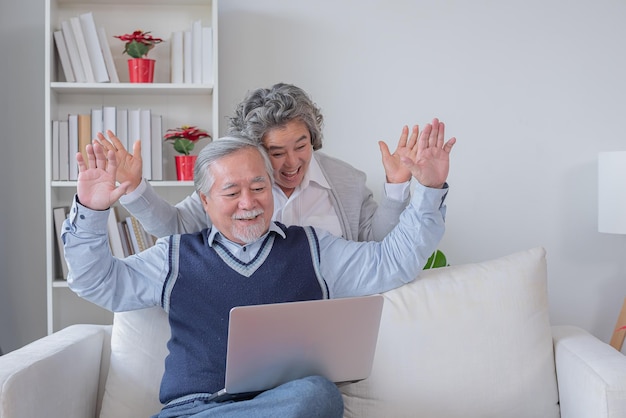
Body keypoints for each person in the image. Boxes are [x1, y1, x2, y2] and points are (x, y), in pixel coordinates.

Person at [63, 125, 455, 417]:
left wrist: (430, 190)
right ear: (205, 199)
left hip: (286, 407)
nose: (248, 203)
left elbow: (391, 261)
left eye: (259, 187)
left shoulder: (314, 249)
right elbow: (98, 282)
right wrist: (92, 211)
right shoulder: (174, 256)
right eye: (231, 192)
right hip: (195, 409)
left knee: (316, 395)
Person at [96, 83, 445, 241]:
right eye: (276, 153)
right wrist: (133, 189)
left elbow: (375, 243)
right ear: (256, 152)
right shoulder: (233, 183)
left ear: (314, 139)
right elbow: (175, 227)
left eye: (301, 145)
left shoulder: (347, 180)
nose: (292, 163)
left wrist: (398, 187)